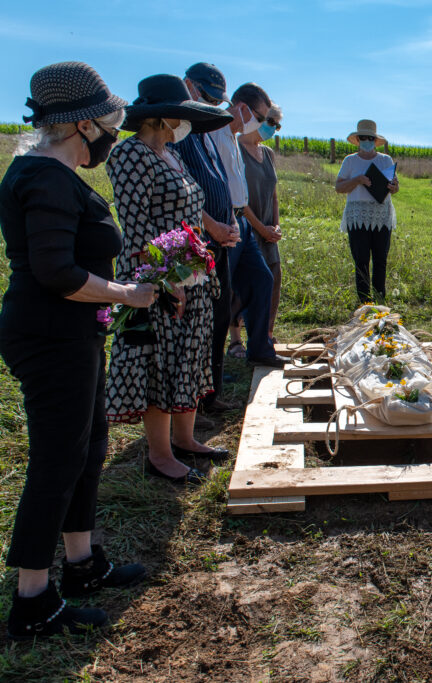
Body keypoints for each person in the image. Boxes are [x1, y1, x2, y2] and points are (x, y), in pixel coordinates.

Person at [0, 62, 154, 639]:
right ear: (84, 124)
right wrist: (128, 294)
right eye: (110, 120)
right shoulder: (43, 179)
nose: (114, 130)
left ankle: (83, 563)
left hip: (74, 333)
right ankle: (33, 600)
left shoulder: (54, 175)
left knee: (89, 445)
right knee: (56, 459)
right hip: (49, 335)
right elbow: (57, 273)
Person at [105, 74, 234, 483]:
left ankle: (186, 438)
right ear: (161, 119)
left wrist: (198, 253)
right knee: (161, 361)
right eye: (179, 118)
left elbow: (190, 210)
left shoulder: (172, 155)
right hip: (156, 278)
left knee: (189, 356)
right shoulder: (130, 155)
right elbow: (136, 224)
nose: (184, 125)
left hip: (189, 271)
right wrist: (166, 278)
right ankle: (160, 455)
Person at [178, 65, 285, 415]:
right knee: (218, 304)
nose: (260, 123)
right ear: (239, 106)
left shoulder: (230, 136)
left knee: (261, 279)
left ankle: (259, 347)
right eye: (258, 115)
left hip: (239, 224)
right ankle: (209, 389)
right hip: (221, 227)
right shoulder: (207, 132)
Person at [334, 119, 399, 303]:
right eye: (363, 137)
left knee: (380, 260)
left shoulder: (384, 160)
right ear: (358, 139)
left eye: (370, 138)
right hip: (357, 216)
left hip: (381, 215)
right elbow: (339, 187)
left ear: (375, 139)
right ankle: (364, 302)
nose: (367, 141)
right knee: (361, 261)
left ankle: (380, 300)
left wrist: (393, 186)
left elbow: (395, 187)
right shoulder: (350, 161)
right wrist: (358, 180)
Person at [237, 98, 283, 343]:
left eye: (277, 125)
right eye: (270, 121)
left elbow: (274, 195)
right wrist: (260, 229)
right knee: (243, 285)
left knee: (273, 280)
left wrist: (275, 226)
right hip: (246, 226)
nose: (273, 128)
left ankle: (266, 333)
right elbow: (239, 200)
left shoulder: (268, 153)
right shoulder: (236, 149)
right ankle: (236, 338)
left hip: (268, 228)